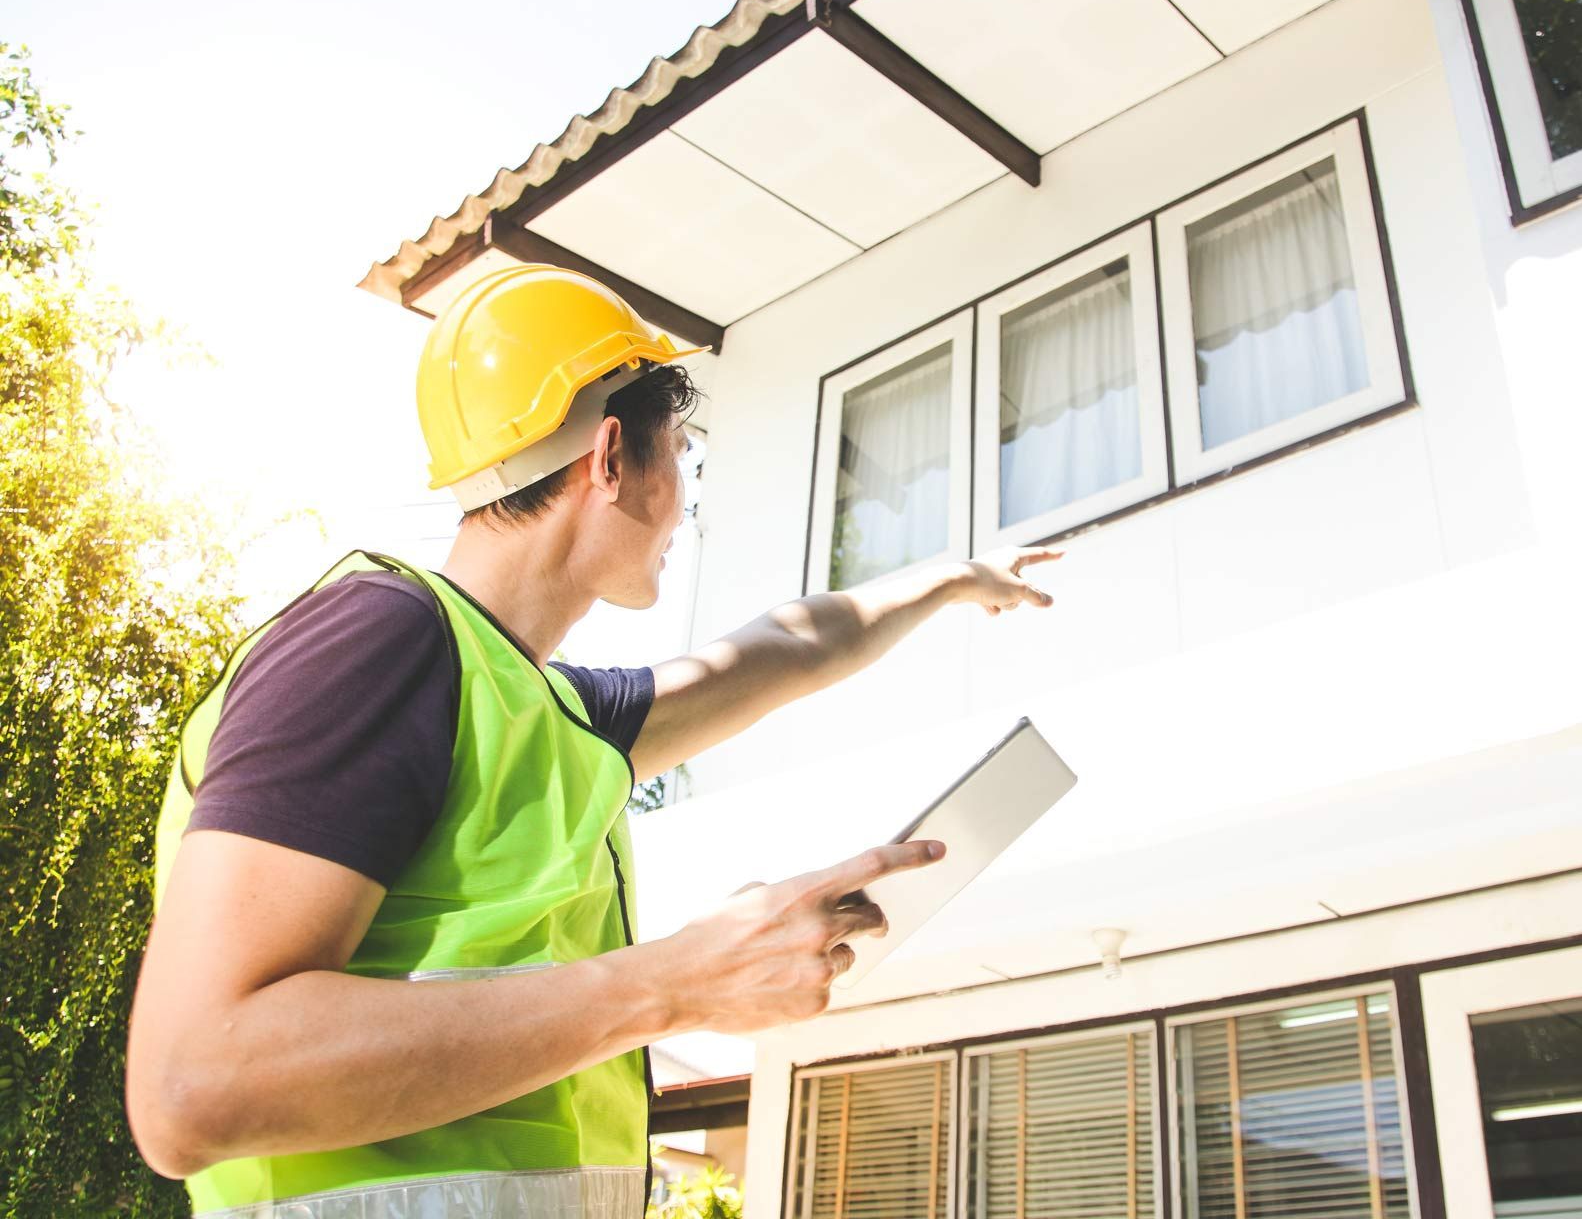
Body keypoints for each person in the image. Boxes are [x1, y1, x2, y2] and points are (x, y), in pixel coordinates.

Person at [125, 264, 1060, 1216]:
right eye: (684, 457)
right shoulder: (381, 641)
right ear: (611, 458)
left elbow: (789, 646)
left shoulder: (546, 711)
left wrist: (956, 578)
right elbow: (191, 1084)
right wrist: (679, 983)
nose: (687, 503)